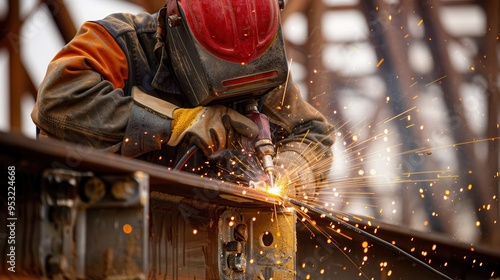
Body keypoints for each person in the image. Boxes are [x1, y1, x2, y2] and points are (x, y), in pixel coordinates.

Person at [31, 0, 334, 196]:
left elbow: (314, 133)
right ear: (176, 30)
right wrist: (179, 124)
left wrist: (292, 171)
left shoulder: (259, 63)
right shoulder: (118, 42)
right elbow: (58, 101)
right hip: (102, 221)